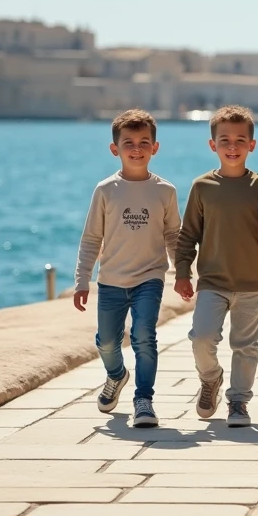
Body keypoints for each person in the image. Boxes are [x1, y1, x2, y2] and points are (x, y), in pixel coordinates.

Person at [175, 106, 258, 427]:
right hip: (211, 281)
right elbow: (187, 236)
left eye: (241, 140)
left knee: (245, 346)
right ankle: (210, 378)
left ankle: (239, 402)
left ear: (252, 145)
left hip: (252, 284)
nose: (232, 146)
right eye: (224, 139)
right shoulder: (202, 187)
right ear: (213, 145)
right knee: (201, 337)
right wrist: (182, 273)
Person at [73, 109, 180, 428]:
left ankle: (143, 399)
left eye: (144, 142)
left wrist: (184, 272)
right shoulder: (105, 190)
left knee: (144, 334)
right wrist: (82, 279)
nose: (137, 148)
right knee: (106, 341)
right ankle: (116, 375)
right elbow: (92, 237)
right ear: (115, 149)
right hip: (110, 281)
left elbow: (174, 234)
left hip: (150, 277)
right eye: (129, 143)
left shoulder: (166, 191)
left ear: (155, 148)